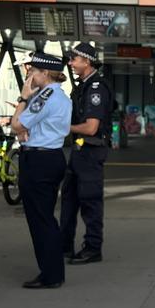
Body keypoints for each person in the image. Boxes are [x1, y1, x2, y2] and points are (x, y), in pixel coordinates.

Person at [10, 53, 72, 289]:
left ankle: (51, 274)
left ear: (45, 73)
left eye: (32, 71)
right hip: (52, 156)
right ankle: (54, 271)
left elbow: (18, 124)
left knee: (40, 220)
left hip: (38, 161)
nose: (29, 76)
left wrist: (22, 98)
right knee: (45, 217)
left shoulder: (43, 96)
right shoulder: (61, 97)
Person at [60, 42, 113, 265]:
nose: (70, 64)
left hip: (91, 151)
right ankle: (64, 246)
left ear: (87, 61)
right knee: (69, 199)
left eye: (74, 59)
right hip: (79, 150)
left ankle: (93, 248)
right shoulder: (82, 86)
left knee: (90, 201)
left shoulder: (96, 89)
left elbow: (91, 127)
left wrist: (62, 127)